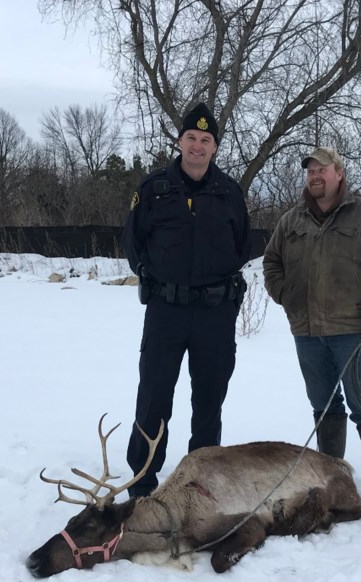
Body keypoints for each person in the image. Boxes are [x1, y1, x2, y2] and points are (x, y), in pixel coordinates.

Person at [262, 146, 361, 512]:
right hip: (307, 331)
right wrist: (284, 294)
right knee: (323, 406)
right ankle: (333, 480)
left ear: (339, 172)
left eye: (322, 169)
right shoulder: (292, 221)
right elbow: (271, 261)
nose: (315, 175)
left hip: (352, 330)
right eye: (310, 170)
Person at [121, 102, 252, 497]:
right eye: (191, 138)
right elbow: (135, 243)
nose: (198, 145)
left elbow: (243, 246)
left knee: (209, 401)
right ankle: (142, 483)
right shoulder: (153, 190)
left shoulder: (229, 193)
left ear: (215, 147)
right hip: (166, 312)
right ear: (179, 141)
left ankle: (203, 483)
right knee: (154, 398)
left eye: (206, 140)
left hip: (214, 314)